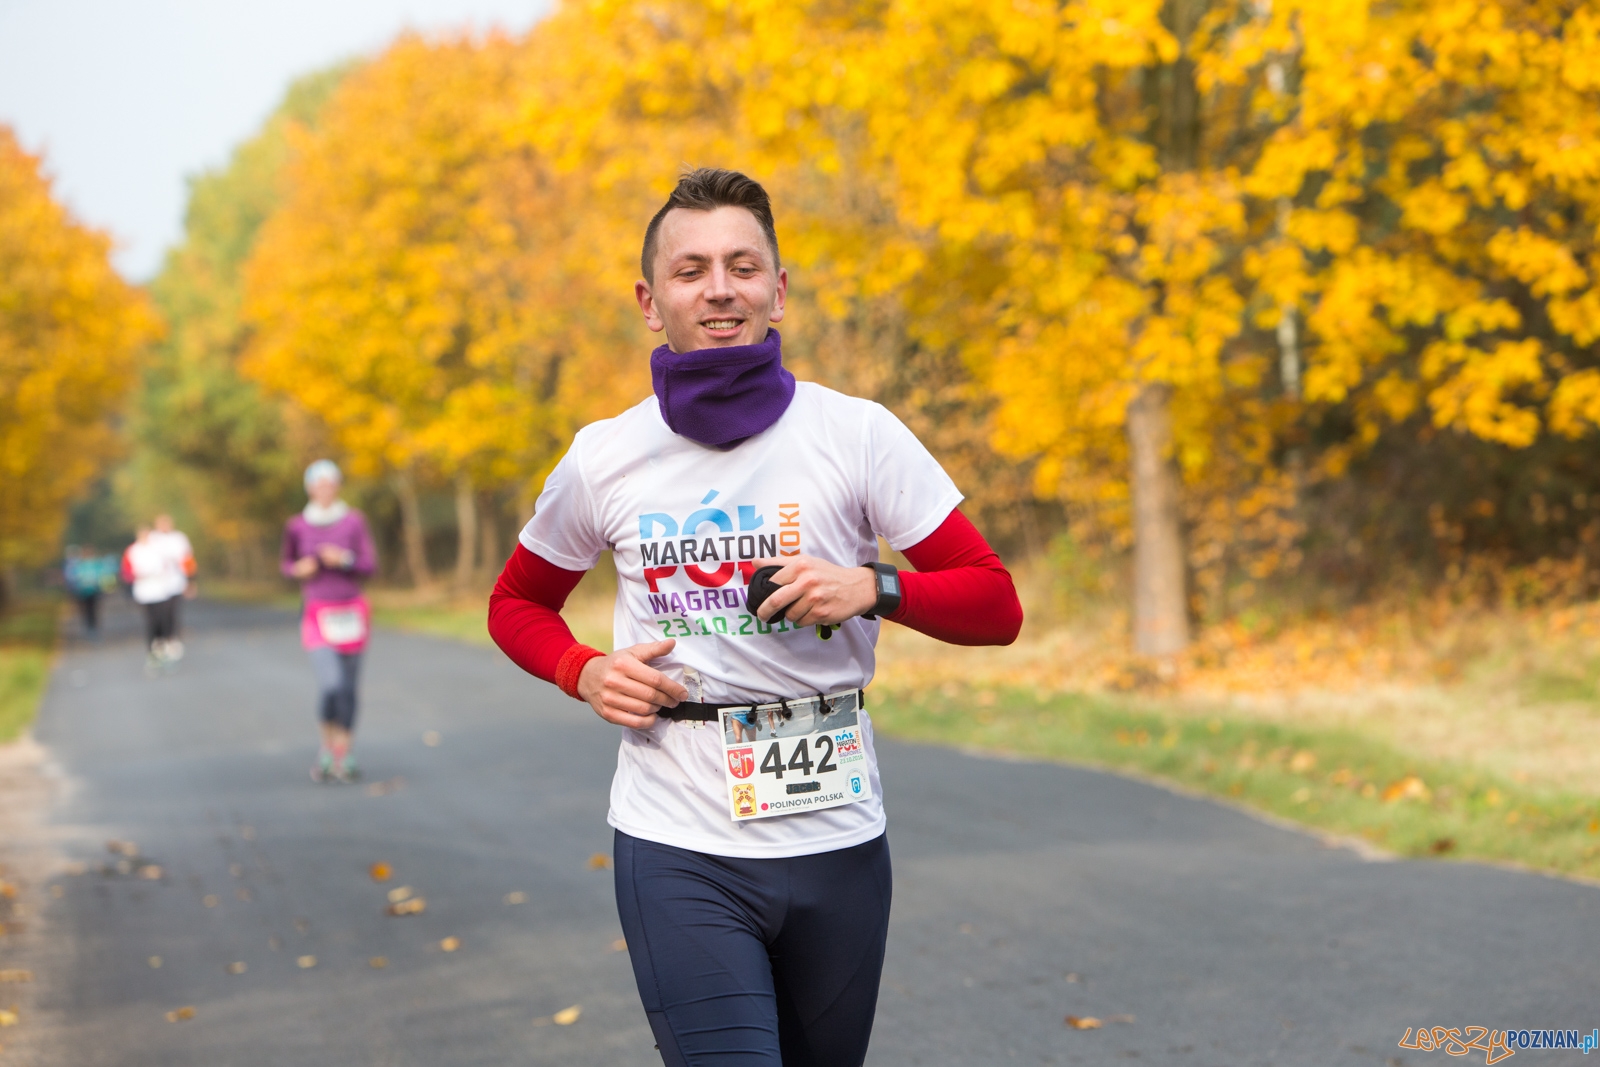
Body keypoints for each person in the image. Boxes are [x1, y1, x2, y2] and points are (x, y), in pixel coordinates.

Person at [488, 168, 1023, 1067]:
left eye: (743, 266)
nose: (719, 288)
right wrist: (583, 670)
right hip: (678, 838)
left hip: (838, 840)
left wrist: (875, 587)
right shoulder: (605, 456)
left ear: (778, 291)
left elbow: (995, 602)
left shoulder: (856, 434)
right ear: (650, 301)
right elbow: (517, 602)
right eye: (690, 269)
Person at [282, 459, 377, 783]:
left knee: (348, 688)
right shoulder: (297, 525)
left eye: (330, 484)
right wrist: (299, 569)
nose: (324, 490)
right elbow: (286, 565)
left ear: (337, 486)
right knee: (331, 684)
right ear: (309, 488)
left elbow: (370, 565)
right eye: (318, 484)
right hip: (316, 611)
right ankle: (326, 747)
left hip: (352, 611)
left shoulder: (354, 521)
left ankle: (344, 754)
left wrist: (344, 559)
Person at [122, 524, 190, 671]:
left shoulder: (159, 549)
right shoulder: (133, 550)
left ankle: (165, 647)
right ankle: (153, 651)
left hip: (161, 591)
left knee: (163, 619)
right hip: (144, 592)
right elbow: (127, 571)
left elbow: (172, 565)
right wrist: (136, 576)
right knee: (151, 621)